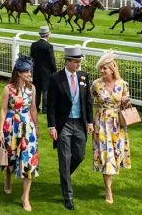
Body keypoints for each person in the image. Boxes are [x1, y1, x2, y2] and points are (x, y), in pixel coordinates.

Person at [47, 45, 93, 211]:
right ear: (67, 62)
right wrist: (51, 126)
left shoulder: (83, 77)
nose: (78, 64)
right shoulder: (55, 78)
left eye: (79, 61)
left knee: (79, 156)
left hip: (80, 123)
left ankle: (64, 176)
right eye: (75, 61)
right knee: (65, 159)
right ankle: (68, 196)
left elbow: (87, 101)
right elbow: (50, 105)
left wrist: (90, 122)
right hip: (63, 125)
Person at [0, 54, 39, 212]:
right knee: (11, 157)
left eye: (30, 71)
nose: (29, 74)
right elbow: (3, 110)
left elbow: (33, 109)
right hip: (11, 126)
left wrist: (37, 127)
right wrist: (0, 131)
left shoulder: (32, 88)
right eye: (27, 71)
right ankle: (8, 179)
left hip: (28, 128)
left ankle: (25, 197)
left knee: (28, 160)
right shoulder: (8, 89)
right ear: (19, 72)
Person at [91, 50, 131, 204]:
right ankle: (108, 189)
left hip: (117, 123)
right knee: (106, 155)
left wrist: (126, 103)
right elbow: (91, 102)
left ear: (112, 68)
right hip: (101, 122)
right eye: (100, 68)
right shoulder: (96, 84)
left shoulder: (123, 85)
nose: (102, 71)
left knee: (115, 153)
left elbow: (127, 104)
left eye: (104, 68)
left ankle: (109, 182)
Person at [30, 25, 56, 114]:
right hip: (47, 71)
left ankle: (36, 106)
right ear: (47, 35)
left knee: (37, 89)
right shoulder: (49, 46)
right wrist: (54, 69)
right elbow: (51, 59)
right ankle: (45, 108)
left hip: (36, 70)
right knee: (46, 89)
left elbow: (31, 58)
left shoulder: (34, 45)